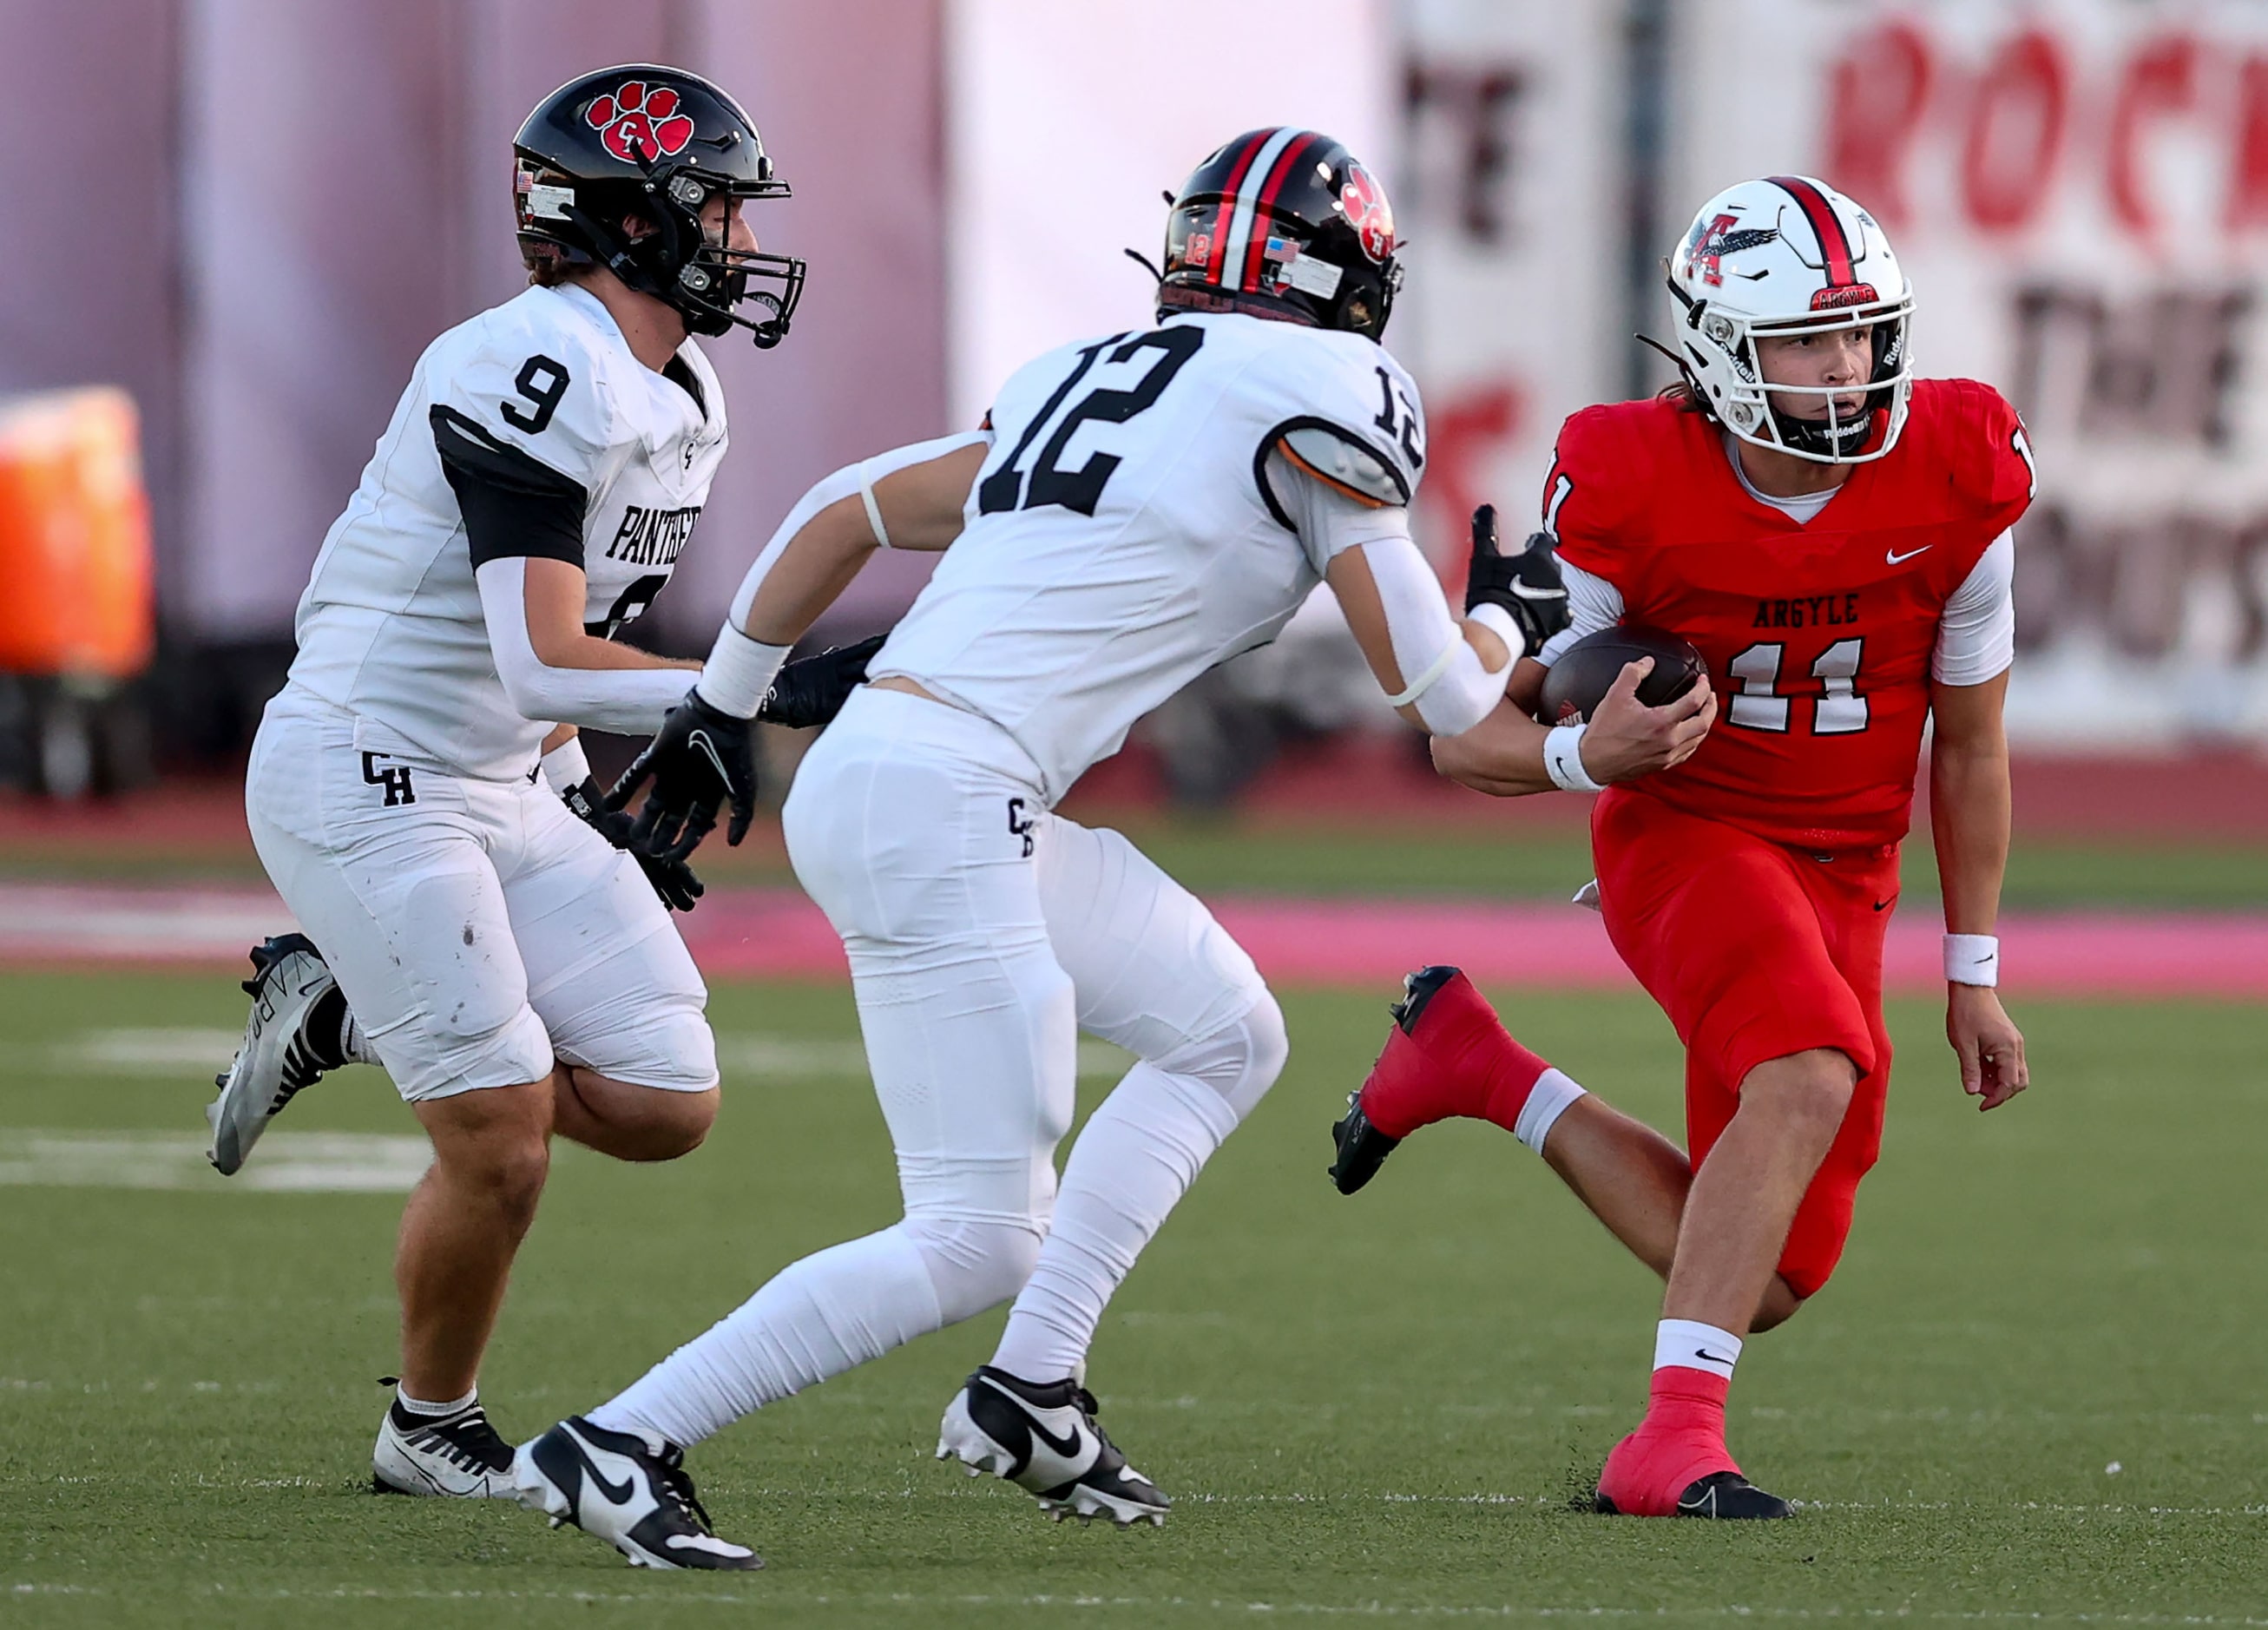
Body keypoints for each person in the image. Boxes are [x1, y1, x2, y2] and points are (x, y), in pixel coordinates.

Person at [500, 127, 1584, 1571]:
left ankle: (1030, 1386)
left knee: (1220, 1029)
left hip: (920, 779)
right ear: (1346, 287)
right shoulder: (1326, 395)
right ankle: (623, 1435)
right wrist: (1542, 674)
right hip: (946, 796)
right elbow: (1455, 716)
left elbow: (837, 514)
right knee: (976, 1230)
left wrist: (725, 700)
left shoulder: (1089, 377)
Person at [206, 64, 870, 1501]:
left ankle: (350, 1010)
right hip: (366, 764)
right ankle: (428, 1426)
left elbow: (572, 658)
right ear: (633, 218)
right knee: (502, 1137)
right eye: (717, 208)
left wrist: (584, 797)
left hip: (501, 771)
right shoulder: (538, 361)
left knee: (666, 1098)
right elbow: (536, 650)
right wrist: (747, 691)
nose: (741, 242)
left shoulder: (680, 386)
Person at [1329, 174, 2035, 1518]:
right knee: (1806, 1065)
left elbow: (1971, 744)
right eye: (1803, 343)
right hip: (1688, 830)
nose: (1843, 370)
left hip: (1844, 864)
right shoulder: (1630, 478)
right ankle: (1668, 1441)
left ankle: (1474, 1064)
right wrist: (1577, 756)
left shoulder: (1956, 461)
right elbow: (1464, 737)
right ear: (1716, 351)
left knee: (1763, 1277)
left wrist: (1974, 966)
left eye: (1858, 334)